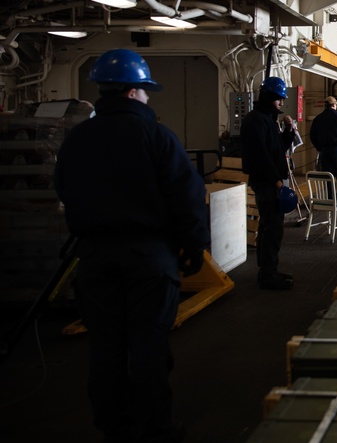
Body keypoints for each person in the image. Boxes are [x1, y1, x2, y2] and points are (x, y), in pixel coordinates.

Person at [54, 48, 210, 443]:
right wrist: (193, 248)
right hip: (149, 258)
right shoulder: (156, 136)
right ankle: (155, 428)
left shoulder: (77, 139)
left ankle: (114, 427)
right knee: (148, 346)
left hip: (94, 258)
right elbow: (186, 196)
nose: (146, 97)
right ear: (132, 92)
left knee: (105, 346)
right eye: (144, 90)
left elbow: (64, 189)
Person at [241, 75, 296, 290]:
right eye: (279, 99)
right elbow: (261, 156)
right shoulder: (255, 121)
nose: (282, 103)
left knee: (269, 227)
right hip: (266, 183)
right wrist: (277, 183)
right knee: (272, 228)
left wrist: (289, 132)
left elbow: (277, 149)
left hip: (272, 181)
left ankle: (268, 270)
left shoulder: (268, 120)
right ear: (268, 98)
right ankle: (267, 274)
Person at [309, 96, 337, 201]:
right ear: (334, 105)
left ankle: (331, 200)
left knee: (328, 178)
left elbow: (312, 136)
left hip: (325, 152)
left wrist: (320, 148)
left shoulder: (318, 119)